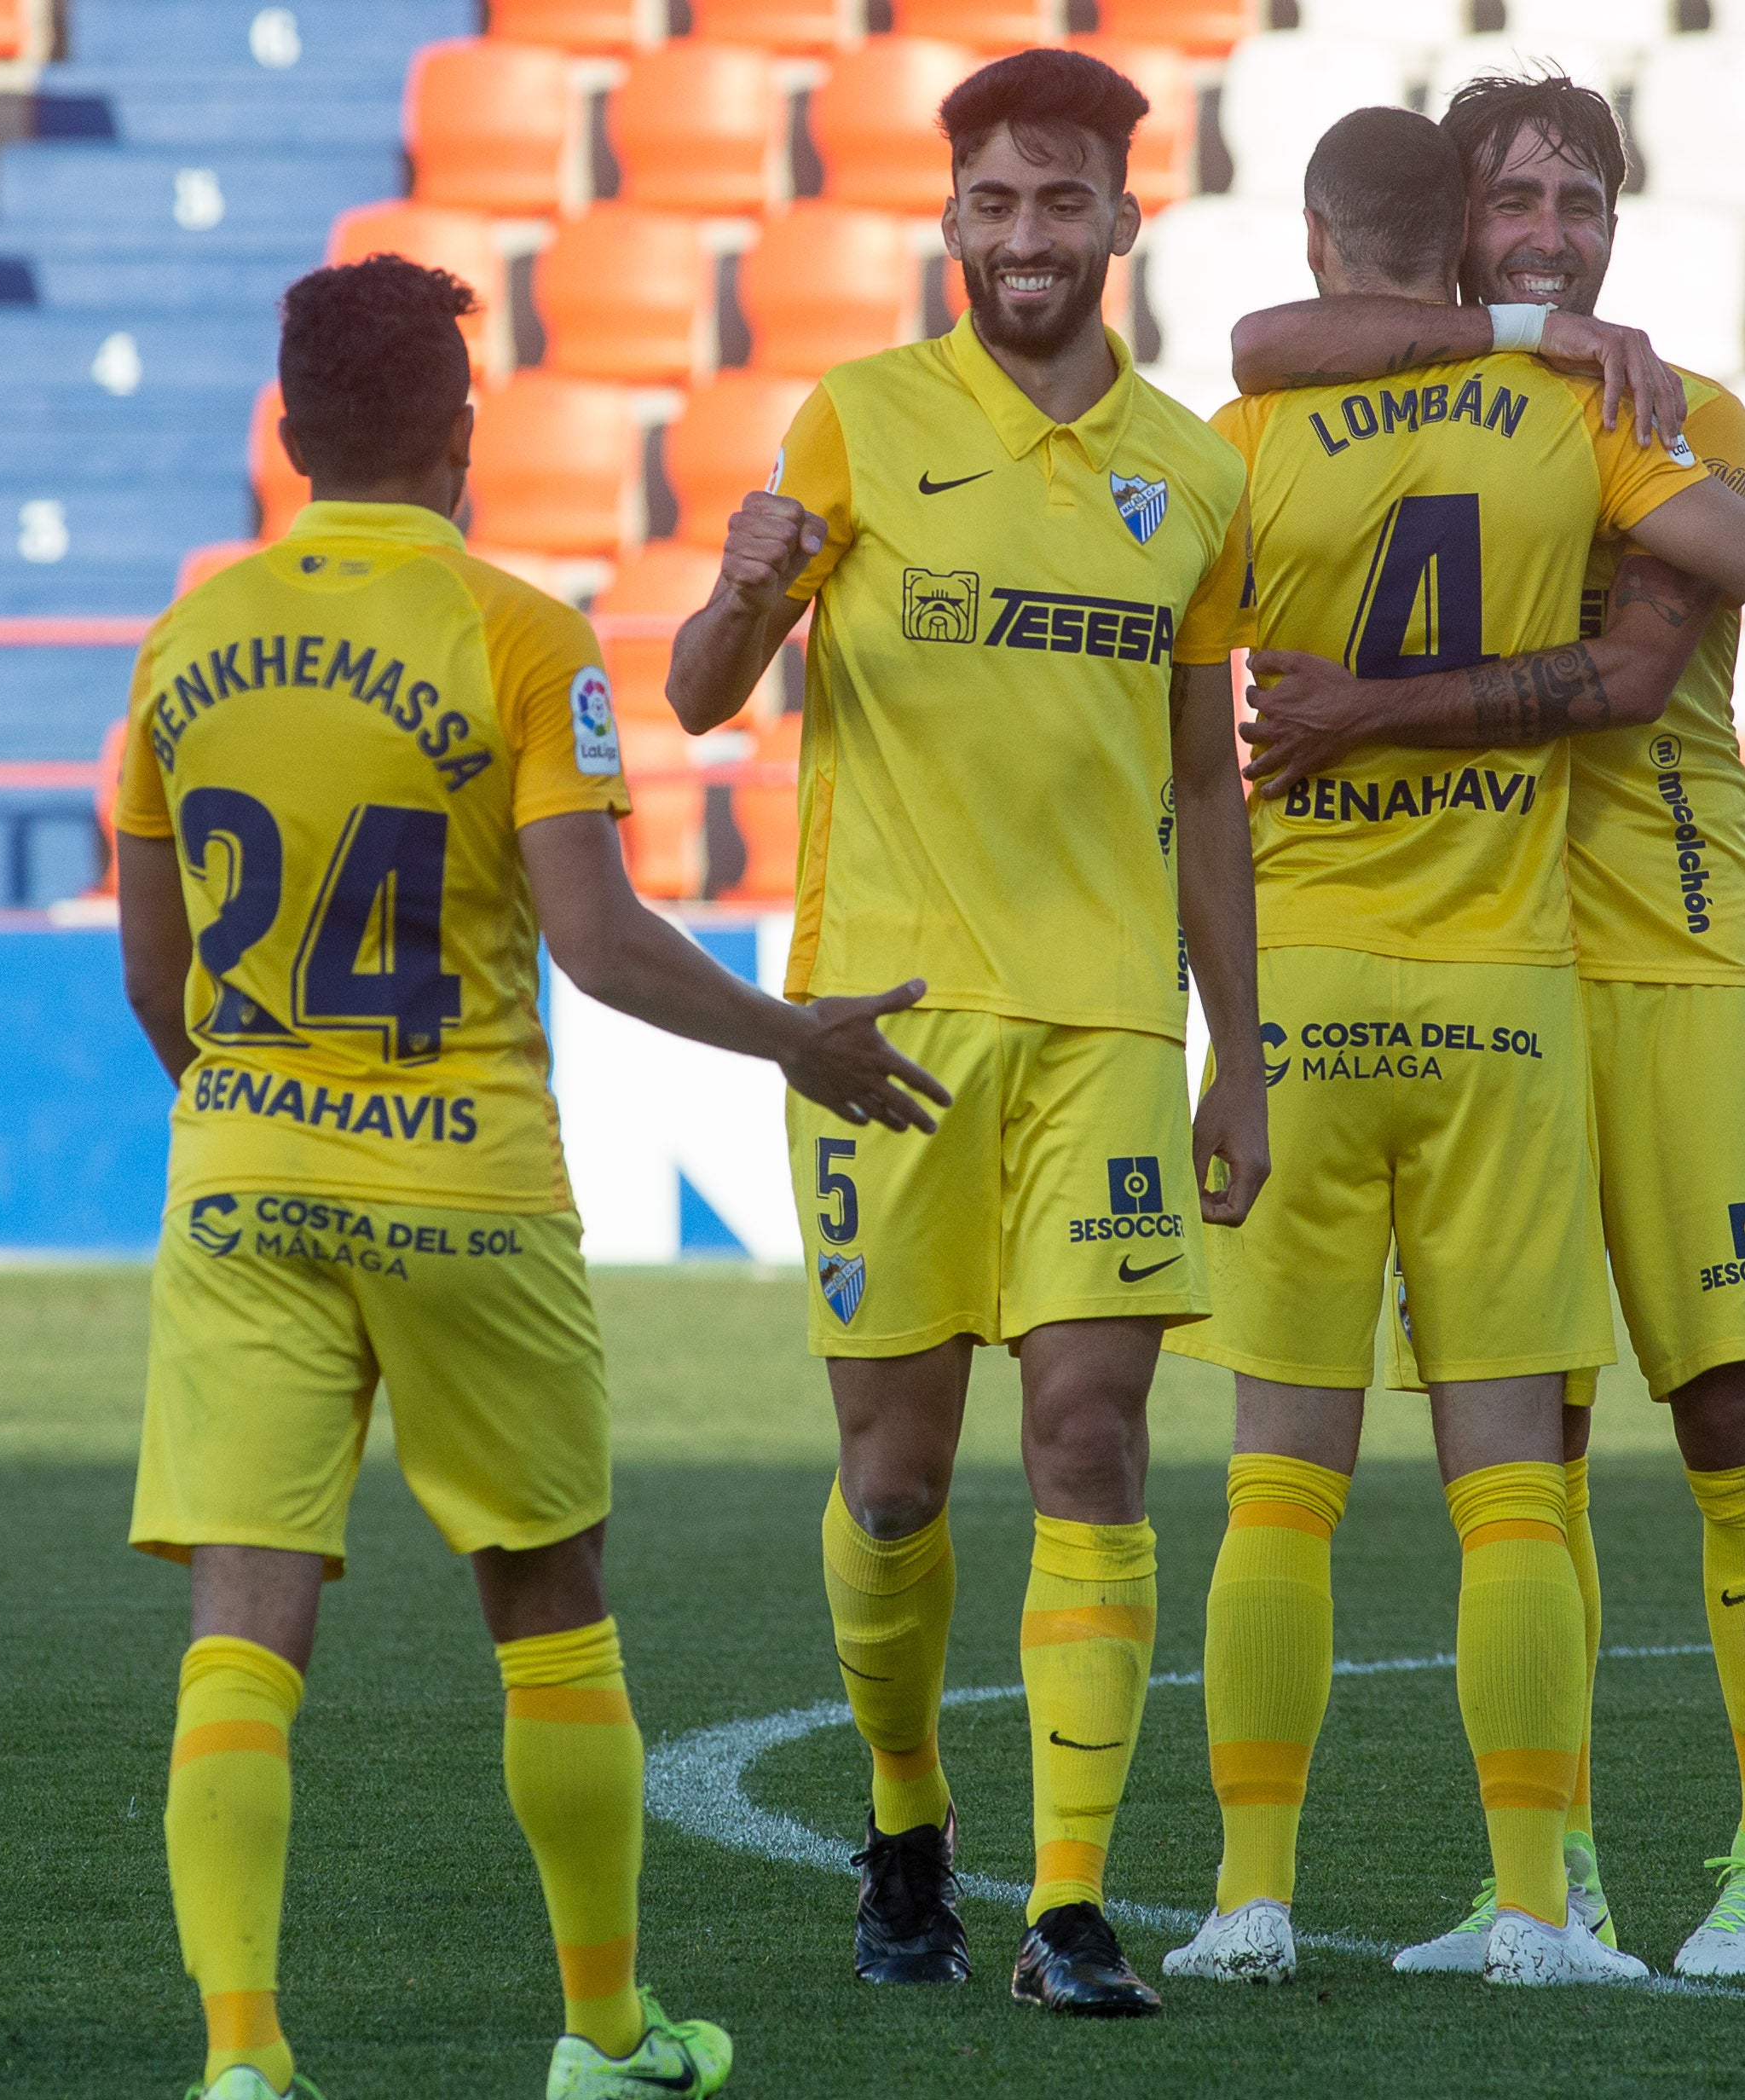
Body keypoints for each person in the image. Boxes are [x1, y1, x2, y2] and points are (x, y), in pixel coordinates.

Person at [113, 255, 946, 2100]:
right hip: (465, 1182)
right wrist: (789, 1031)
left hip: (242, 1176)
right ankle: (600, 2033)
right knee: (546, 1599)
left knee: (245, 1619)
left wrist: (248, 1107)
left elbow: (150, 977)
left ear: (284, 432)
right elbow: (591, 937)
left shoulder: (182, 645)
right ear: (463, 437)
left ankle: (241, 2058)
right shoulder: (518, 633)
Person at [1147, 106, 1745, 1989]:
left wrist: (1359, 710)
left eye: (1580, 199)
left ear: (1619, 223)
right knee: (1518, 1439)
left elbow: (1635, 672)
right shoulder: (1501, 381)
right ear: (1451, 227)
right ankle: (1560, 1877)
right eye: (1512, 198)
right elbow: (1266, 342)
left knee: (1723, 1409)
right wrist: (1516, 337)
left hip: (1671, 956)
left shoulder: (1666, 405)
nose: (1549, 230)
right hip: (1507, 971)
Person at [665, 47, 1269, 2019]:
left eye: (1061, 200)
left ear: (1119, 216)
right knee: (898, 1478)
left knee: (1091, 1433)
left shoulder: (1193, 473)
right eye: (993, 203)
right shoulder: (853, 422)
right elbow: (694, 696)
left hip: (1102, 1020)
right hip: (884, 1029)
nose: (1026, 237)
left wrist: (1234, 1050)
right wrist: (740, 595)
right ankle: (906, 1820)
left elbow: (1203, 786)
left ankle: (1070, 1902)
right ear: (951, 220)